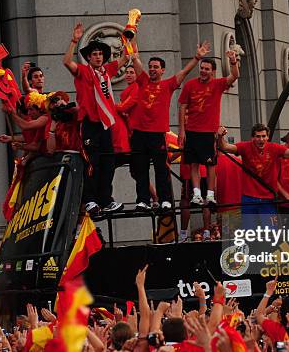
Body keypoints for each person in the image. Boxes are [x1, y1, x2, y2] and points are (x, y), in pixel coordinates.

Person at [129, 42, 211, 211]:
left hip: (157, 134)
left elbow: (185, 72)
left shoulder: (168, 85)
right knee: (141, 169)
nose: (152, 69)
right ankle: (143, 200)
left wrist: (197, 57)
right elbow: (136, 60)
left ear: (162, 70)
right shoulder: (143, 80)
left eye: (156, 67)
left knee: (161, 169)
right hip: (139, 134)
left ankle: (166, 200)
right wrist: (131, 33)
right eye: (150, 66)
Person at [62, 23, 132, 214]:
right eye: (94, 54)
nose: (98, 56)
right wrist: (74, 41)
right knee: (91, 162)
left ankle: (106, 200)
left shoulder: (107, 71)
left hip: (106, 124)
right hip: (90, 123)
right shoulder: (84, 72)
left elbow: (127, 57)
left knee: (108, 163)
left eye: (100, 54)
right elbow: (67, 62)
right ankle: (90, 200)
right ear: (89, 57)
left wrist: (129, 37)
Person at [217, 124, 289, 229]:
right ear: (252, 138)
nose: (261, 139)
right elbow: (225, 147)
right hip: (249, 198)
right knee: (250, 233)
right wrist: (220, 136)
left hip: (268, 199)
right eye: (258, 136)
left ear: (268, 137)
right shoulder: (245, 147)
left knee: (271, 232)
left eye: (263, 136)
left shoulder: (274, 148)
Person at [178, 52, 240, 207]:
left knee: (210, 164)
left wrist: (233, 61)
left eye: (207, 69)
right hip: (192, 130)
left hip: (208, 131)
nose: (203, 71)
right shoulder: (190, 84)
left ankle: (210, 195)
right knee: (193, 163)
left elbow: (234, 75)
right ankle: (197, 194)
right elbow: (182, 106)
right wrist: (181, 130)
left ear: (213, 71)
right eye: (202, 68)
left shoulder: (218, 84)